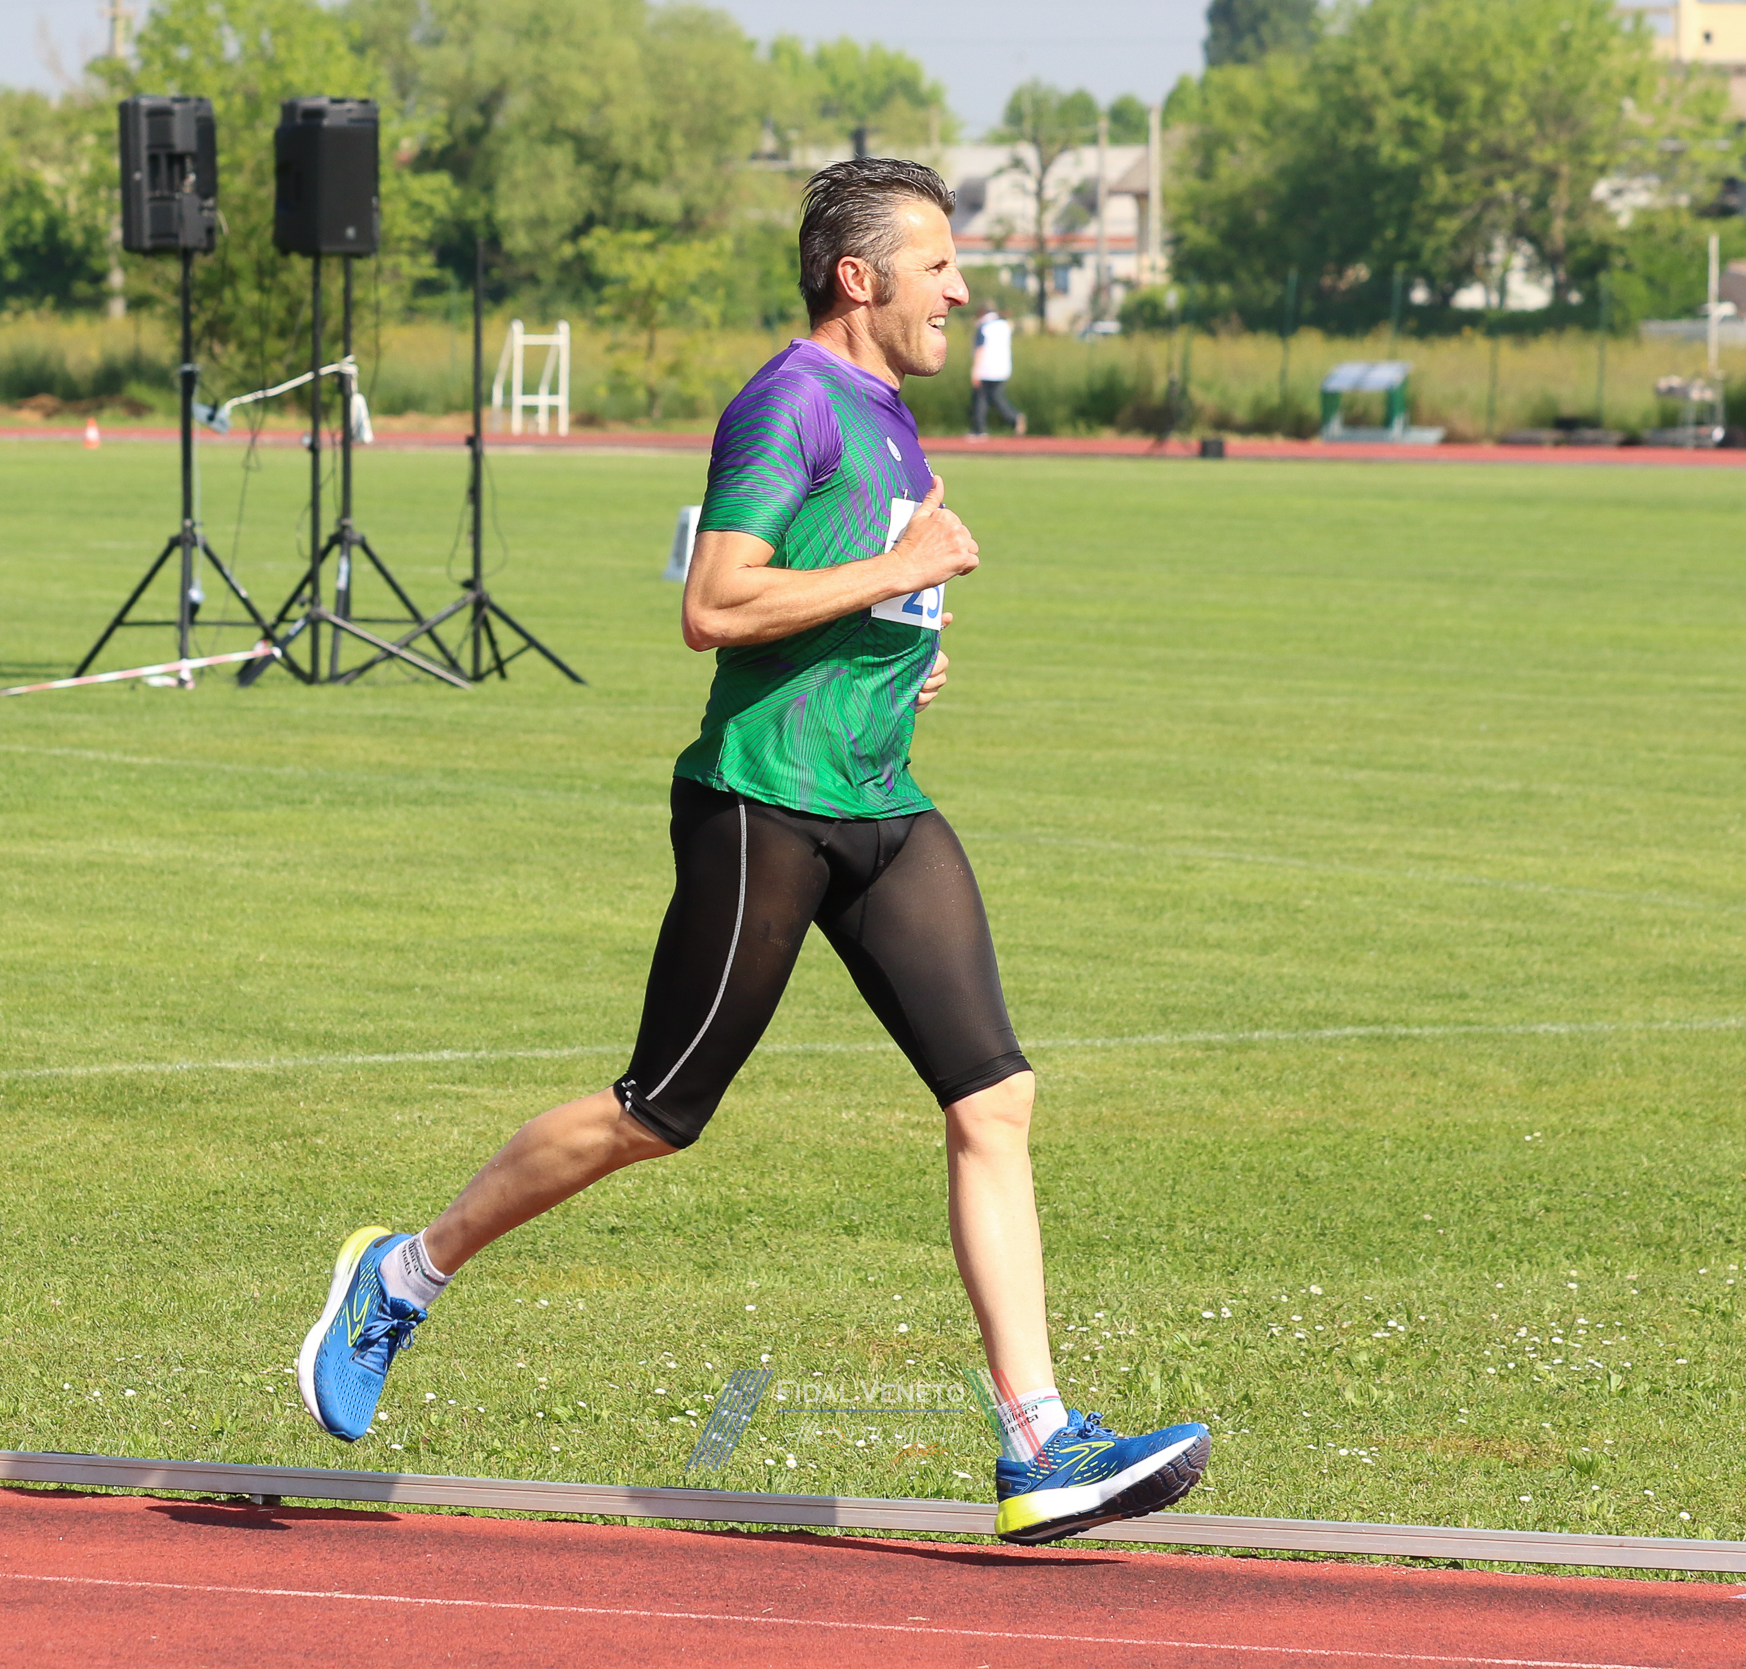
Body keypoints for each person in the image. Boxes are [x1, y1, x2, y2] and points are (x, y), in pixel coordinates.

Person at [295, 157, 1209, 1547]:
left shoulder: (890, 414)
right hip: (763, 807)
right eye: (940, 264)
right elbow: (715, 605)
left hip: (881, 801)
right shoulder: (789, 402)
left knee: (994, 1096)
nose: (962, 289)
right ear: (860, 277)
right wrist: (901, 574)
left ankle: (1039, 1443)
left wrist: (903, 646)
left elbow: (836, 597)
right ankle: (402, 1277)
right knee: (658, 1111)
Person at [968, 306, 1025, 437]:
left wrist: (975, 370)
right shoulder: (1004, 325)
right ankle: (1014, 418)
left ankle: (979, 429)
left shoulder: (983, 326)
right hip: (1002, 368)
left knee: (980, 399)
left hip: (985, 368)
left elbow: (980, 350)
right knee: (996, 397)